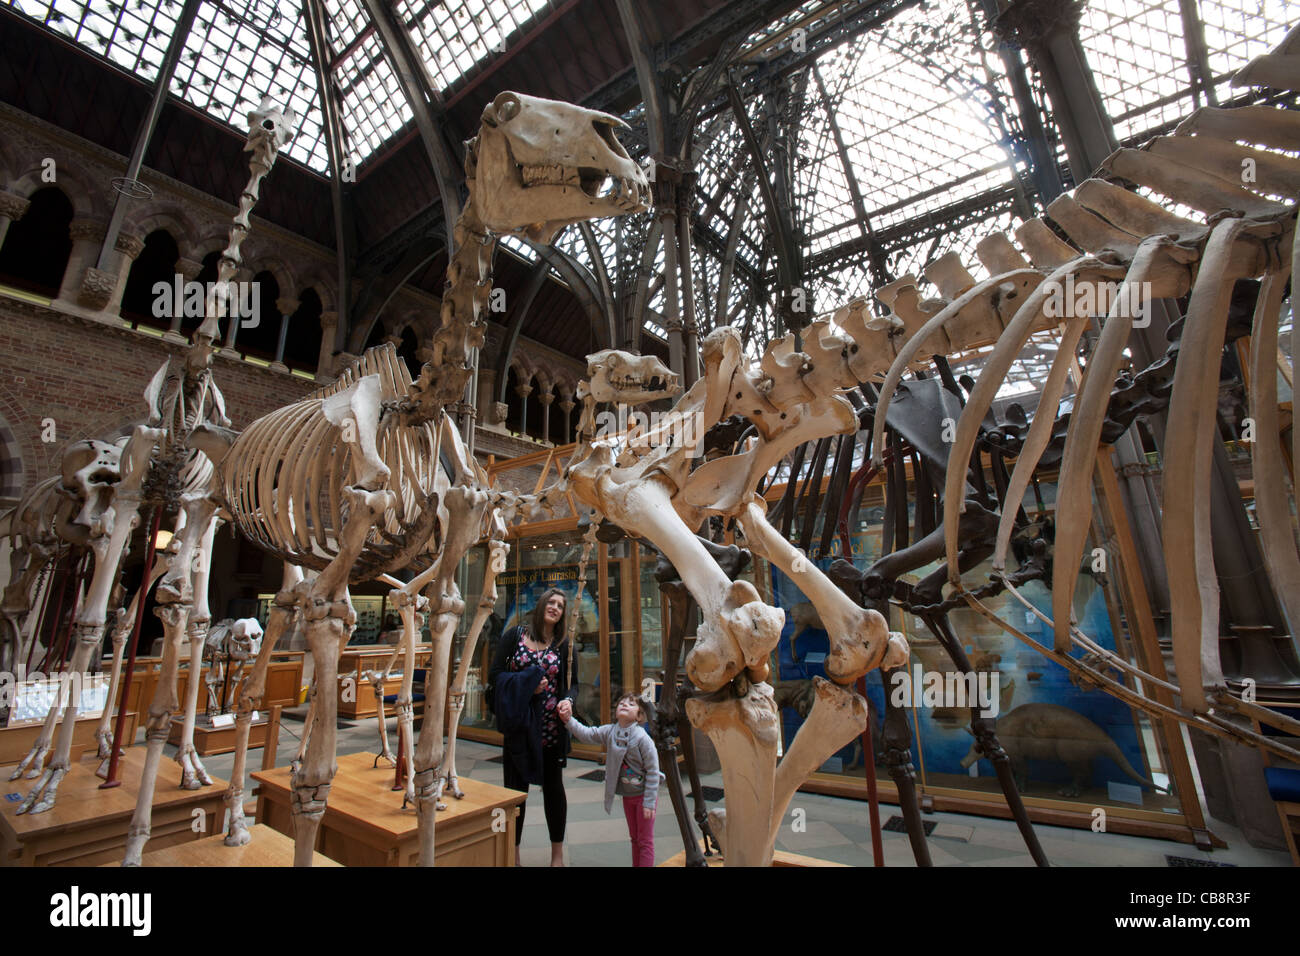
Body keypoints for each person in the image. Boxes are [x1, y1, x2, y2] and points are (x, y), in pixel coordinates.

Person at [488, 587, 579, 866]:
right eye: (550, 603)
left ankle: (557, 856)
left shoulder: (563, 643)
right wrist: (527, 683)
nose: (555, 608)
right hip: (519, 726)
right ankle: (512, 855)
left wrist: (568, 701)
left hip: (550, 729)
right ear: (541, 605)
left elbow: (571, 684)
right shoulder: (515, 636)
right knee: (515, 792)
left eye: (560, 606)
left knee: (554, 789)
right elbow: (495, 675)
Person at [557, 692, 662, 867]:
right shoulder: (611, 731)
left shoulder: (643, 738)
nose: (624, 704)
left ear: (639, 715)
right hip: (628, 796)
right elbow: (587, 734)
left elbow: (653, 770)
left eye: (631, 704)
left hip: (644, 797)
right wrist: (568, 720)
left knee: (645, 841)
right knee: (635, 838)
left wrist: (650, 802)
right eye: (622, 702)